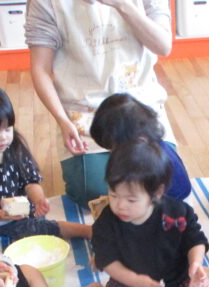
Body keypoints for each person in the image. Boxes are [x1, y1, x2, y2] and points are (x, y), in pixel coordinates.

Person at [25, 0, 176, 207]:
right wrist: (62, 120)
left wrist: (123, 5)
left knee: (168, 187)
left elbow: (163, 45)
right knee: (93, 194)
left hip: (140, 108)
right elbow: (40, 68)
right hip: (86, 112)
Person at [63, 140, 209, 287]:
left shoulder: (177, 212)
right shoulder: (108, 221)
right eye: (113, 195)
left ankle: (205, 273)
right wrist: (135, 281)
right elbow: (106, 259)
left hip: (176, 280)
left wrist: (195, 263)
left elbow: (195, 240)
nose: (120, 205)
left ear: (156, 193)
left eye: (131, 200)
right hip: (127, 282)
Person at [0, 84, 92, 245]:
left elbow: (30, 182)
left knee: (47, 227)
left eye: (8, 129)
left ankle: (88, 231)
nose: (4, 138)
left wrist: (38, 199)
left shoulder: (14, 148)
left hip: (19, 217)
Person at [89, 93, 191, 201]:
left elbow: (136, 195)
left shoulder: (145, 160)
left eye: (116, 148)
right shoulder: (148, 141)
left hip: (169, 203)